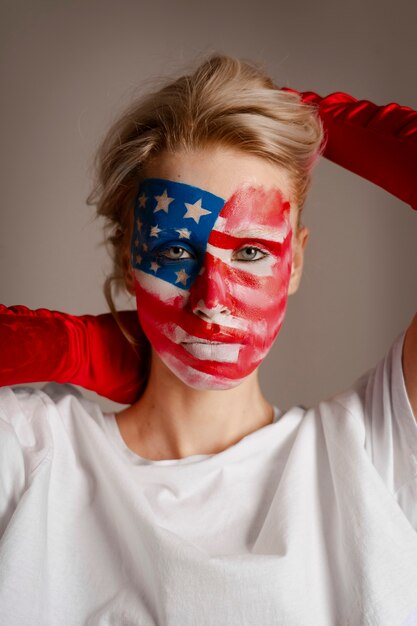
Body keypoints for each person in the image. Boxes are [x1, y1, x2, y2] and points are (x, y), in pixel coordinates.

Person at [0, 54, 416, 625]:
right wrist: (63, 346)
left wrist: (311, 116)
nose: (211, 297)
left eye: (250, 253)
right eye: (175, 252)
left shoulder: (372, 451)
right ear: (129, 260)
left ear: (294, 261)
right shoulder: (31, 452)